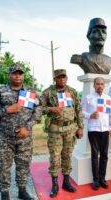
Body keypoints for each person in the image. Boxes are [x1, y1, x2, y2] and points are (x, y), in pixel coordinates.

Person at [0, 64, 42, 200]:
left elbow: (38, 111)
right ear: (9, 75)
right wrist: (7, 109)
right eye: (15, 73)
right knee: (3, 167)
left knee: (24, 165)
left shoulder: (30, 92)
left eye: (20, 73)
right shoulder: (0, 92)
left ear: (23, 76)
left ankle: (22, 191)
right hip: (4, 137)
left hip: (24, 138)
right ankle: (5, 194)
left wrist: (27, 127)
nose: (18, 75)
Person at [40, 69, 84, 198]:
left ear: (67, 78)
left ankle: (66, 182)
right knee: (55, 157)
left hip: (70, 129)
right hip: (55, 129)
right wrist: (51, 109)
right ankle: (54, 185)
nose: (62, 80)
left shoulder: (72, 91)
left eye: (64, 77)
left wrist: (80, 127)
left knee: (67, 155)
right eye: (59, 77)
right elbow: (39, 108)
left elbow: (78, 109)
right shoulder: (48, 92)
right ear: (55, 79)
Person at [82, 77, 111, 190]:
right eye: (97, 84)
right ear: (94, 85)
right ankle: (95, 180)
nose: (100, 86)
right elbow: (81, 111)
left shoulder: (108, 98)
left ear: (104, 85)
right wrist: (89, 115)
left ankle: (102, 178)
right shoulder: (88, 97)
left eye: (102, 84)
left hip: (105, 130)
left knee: (104, 155)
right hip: (93, 130)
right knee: (95, 155)